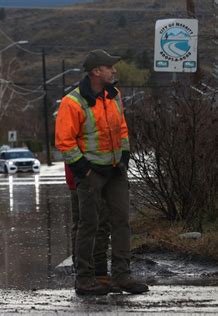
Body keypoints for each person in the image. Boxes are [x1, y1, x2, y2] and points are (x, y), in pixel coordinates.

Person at [55, 49, 149, 295]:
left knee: (121, 223)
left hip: (116, 170)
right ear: (97, 71)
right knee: (89, 225)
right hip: (91, 174)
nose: (114, 70)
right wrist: (83, 170)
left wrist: (125, 157)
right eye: (110, 67)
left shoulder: (113, 94)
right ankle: (84, 280)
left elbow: (123, 129)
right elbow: (64, 141)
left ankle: (122, 276)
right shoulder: (72, 102)